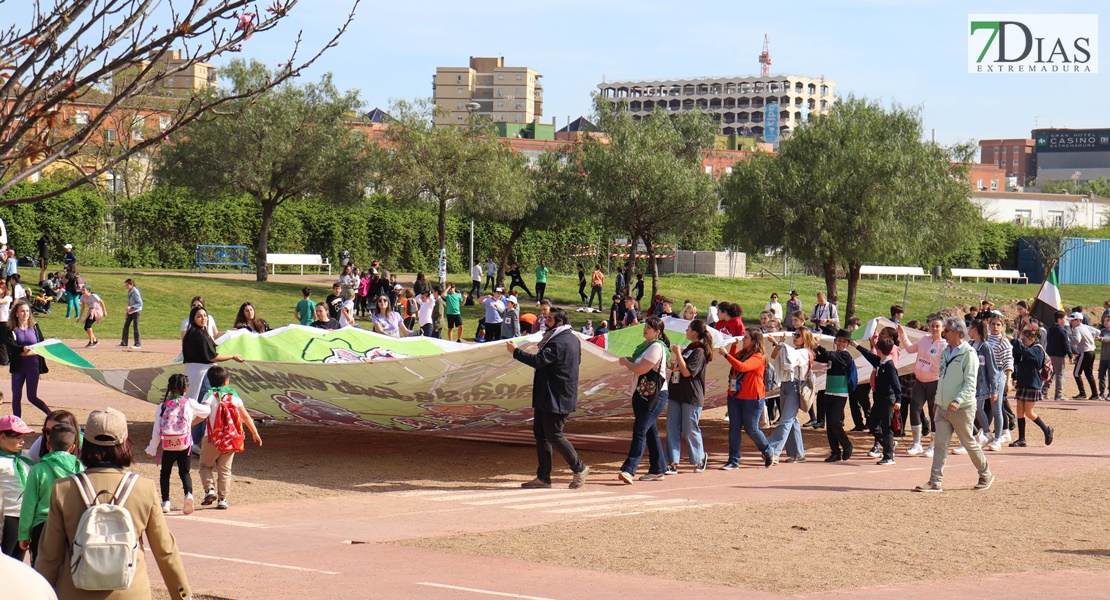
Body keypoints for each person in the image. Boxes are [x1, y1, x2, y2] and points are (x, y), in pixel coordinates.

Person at [34, 407, 193, 597]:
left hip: (76, 591)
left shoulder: (63, 489)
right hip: (131, 591)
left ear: (86, 444)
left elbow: (50, 556)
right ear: (126, 444)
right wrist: (182, 595)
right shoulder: (144, 488)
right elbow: (165, 551)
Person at [508, 308, 589, 489]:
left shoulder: (559, 341)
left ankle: (579, 467)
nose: (545, 321)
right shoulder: (571, 339)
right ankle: (543, 477)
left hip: (557, 396)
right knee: (541, 434)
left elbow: (539, 361)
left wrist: (515, 351)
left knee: (553, 434)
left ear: (559, 322)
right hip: (549, 394)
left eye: (550, 319)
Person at [913, 317, 994, 493]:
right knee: (940, 444)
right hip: (943, 407)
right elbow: (941, 378)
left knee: (968, 442)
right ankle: (935, 481)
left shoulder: (969, 354)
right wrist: (937, 400)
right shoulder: (945, 351)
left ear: (957, 332)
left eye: (947, 330)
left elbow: (970, 383)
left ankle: (985, 473)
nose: (943, 333)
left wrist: (958, 400)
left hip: (962, 408)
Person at [198, 366, 262, 510]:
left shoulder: (209, 395)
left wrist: (190, 424)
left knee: (204, 466)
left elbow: (203, 413)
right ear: (226, 381)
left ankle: (210, 490)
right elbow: (245, 416)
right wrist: (254, 432)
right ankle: (222, 499)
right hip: (230, 438)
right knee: (225, 470)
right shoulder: (234, 396)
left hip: (211, 437)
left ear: (209, 380)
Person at [146, 373, 210, 516]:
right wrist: (206, 403)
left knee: (165, 473)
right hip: (184, 444)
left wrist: (152, 448)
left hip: (168, 445)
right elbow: (206, 411)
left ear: (169, 388)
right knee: (184, 472)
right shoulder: (189, 403)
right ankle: (188, 495)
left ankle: (166, 501)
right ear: (185, 389)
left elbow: (157, 429)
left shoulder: (162, 406)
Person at [18, 422, 81, 566]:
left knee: (41, 570)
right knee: (67, 570)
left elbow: (29, 504)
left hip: (42, 526)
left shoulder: (38, 470)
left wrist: (24, 534)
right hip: (71, 526)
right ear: (72, 448)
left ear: (47, 445)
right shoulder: (80, 468)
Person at [617, 317, 671, 483]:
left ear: (657, 332)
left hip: (654, 395)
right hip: (643, 394)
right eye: (645, 326)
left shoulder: (656, 347)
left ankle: (629, 469)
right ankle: (658, 469)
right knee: (649, 431)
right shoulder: (645, 347)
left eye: (650, 327)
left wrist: (626, 362)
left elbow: (641, 369)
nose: (645, 329)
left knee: (640, 429)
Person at [719, 329, 772, 469]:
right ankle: (733, 460)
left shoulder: (758, 356)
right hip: (735, 396)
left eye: (746, 338)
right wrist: (733, 347)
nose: (743, 340)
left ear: (754, 341)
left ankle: (767, 451)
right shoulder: (744, 353)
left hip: (752, 398)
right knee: (734, 428)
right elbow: (735, 360)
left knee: (751, 429)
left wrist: (726, 355)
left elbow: (742, 367)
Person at [666, 319, 712, 473]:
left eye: (688, 329)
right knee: (672, 427)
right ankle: (672, 461)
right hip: (677, 392)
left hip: (691, 395)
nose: (685, 331)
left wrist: (678, 353)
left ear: (694, 333)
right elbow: (680, 368)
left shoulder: (699, 351)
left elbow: (687, 372)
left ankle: (699, 458)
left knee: (689, 428)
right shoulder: (689, 349)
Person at [766, 327, 815, 464]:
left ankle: (773, 451)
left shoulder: (805, 352)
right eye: (794, 334)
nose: (794, 337)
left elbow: (791, 360)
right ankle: (797, 453)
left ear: (805, 338)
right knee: (791, 420)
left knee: (786, 420)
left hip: (795, 386)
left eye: (798, 335)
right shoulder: (793, 351)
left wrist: (779, 344)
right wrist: (778, 344)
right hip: (786, 386)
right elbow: (775, 356)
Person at [898, 316, 945, 456]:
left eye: (937, 326)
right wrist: (902, 333)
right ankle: (916, 443)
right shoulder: (924, 339)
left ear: (943, 328)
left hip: (934, 382)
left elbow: (943, 367)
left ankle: (932, 445)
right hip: (919, 381)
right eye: (932, 326)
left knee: (933, 412)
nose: (934, 328)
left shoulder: (944, 346)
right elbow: (910, 348)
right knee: (915, 409)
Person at [182, 305, 245, 405]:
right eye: (199, 316)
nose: (203, 318)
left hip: (191, 373)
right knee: (204, 405)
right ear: (193, 320)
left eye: (205, 315)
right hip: (202, 375)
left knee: (194, 405)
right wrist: (232, 356)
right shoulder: (200, 335)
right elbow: (212, 357)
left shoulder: (191, 333)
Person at [813, 329, 856, 462]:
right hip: (829, 390)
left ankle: (847, 444)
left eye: (844, 341)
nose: (841, 343)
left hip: (840, 392)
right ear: (835, 341)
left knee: (834, 421)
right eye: (839, 340)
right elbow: (820, 357)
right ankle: (835, 451)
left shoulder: (845, 356)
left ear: (848, 344)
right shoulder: (834, 354)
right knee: (830, 425)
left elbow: (828, 355)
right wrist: (812, 348)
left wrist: (818, 345)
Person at [1009, 326, 1056, 448]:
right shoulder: (1025, 348)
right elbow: (1016, 361)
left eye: (1024, 340)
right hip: (1022, 382)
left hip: (1033, 383)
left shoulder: (1037, 349)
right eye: (1021, 340)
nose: (1022, 342)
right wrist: (1014, 377)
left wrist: (1015, 342)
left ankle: (1046, 429)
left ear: (1032, 339)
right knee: (1019, 410)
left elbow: (1031, 355)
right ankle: (1021, 439)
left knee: (1029, 412)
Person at [856, 337, 901, 465]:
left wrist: (898, 400)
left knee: (887, 427)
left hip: (888, 399)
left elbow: (896, 384)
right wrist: (855, 345)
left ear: (879, 350)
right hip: (879, 398)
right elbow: (868, 355)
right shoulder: (879, 362)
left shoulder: (889, 366)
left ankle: (889, 456)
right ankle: (889, 444)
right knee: (873, 424)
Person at [6, 301, 51, 418]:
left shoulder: (35, 327)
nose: (25, 313)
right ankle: (17, 422)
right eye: (22, 311)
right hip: (18, 366)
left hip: (33, 365)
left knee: (32, 397)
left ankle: (51, 415)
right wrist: (22, 349)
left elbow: (42, 344)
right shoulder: (11, 329)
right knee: (16, 396)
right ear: (16, 313)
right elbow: (11, 346)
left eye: (27, 311)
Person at [0, 414, 35, 560]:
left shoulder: (24, 458)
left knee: (18, 561)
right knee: (5, 560)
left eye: (23, 438)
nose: (22, 442)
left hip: (24, 517)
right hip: (7, 517)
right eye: (17, 437)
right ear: (2, 437)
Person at [967, 319, 1000, 453]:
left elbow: (992, 369)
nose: (968, 331)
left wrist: (994, 389)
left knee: (978, 409)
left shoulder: (985, 347)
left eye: (969, 328)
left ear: (975, 330)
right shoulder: (969, 345)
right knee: (970, 410)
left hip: (981, 384)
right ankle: (977, 434)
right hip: (969, 383)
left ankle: (987, 433)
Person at [1069, 312, 1099, 400]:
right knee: (1089, 374)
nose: (1071, 322)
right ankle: (1095, 394)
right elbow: (1098, 331)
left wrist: (1069, 343)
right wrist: (1091, 339)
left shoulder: (1077, 329)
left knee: (1076, 373)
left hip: (1085, 352)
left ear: (1078, 320)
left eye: (1072, 320)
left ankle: (1082, 393)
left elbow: (1077, 340)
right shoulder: (1085, 326)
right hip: (1092, 351)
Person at [1045, 311, 1072, 401]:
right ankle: (1058, 394)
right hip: (1058, 355)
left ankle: (1044, 391)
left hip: (1050, 354)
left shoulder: (1050, 329)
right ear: (1059, 319)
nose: (1066, 321)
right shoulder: (1062, 330)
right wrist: (1070, 355)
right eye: (1064, 319)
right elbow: (1066, 343)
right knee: (1060, 374)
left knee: (1051, 373)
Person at [119, 278, 142, 349]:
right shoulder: (130, 291)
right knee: (126, 326)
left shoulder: (135, 291)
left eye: (127, 285)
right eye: (126, 285)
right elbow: (130, 302)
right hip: (131, 311)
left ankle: (137, 344)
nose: (126, 287)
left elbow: (140, 303)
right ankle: (124, 343)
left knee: (135, 327)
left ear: (132, 284)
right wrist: (127, 313)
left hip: (136, 311)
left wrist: (131, 307)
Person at [1099, 313, 1110, 399]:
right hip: (1103, 357)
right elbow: (1097, 334)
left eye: (1107, 320)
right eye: (1104, 320)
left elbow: (1107, 339)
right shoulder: (1103, 331)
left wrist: (1100, 338)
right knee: (1101, 375)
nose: (1105, 322)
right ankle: (1102, 392)